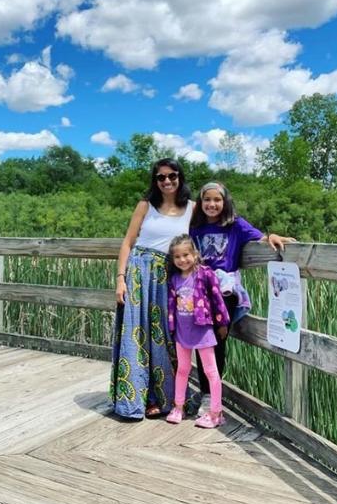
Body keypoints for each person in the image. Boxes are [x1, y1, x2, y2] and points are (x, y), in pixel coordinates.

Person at [110, 158, 195, 419]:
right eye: (161, 177)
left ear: (180, 178)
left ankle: (163, 398)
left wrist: (263, 236)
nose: (167, 181)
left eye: (172, 176)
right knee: (135, 335)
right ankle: (131, 401)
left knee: (163, 337)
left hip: (167, 277)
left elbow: (226, 220)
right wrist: (120, 278)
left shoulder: (192, 208)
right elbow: (128, 242)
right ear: (155, 180)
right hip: (137, 272)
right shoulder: (145, 206)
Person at [189, 181, 295, 385]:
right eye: (207, 199)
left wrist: (271, 236)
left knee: (216, 340)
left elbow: (260, 236)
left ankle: (212, 395)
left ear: (225, 201)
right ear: (201, 202)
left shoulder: (235, 224)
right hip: (201, 288)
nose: (212, 204)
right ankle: (206, 393)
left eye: (217, 199)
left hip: (225, 289)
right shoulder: (196, 227)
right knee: (203, 341)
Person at [164, 234, 229, 428]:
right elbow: (171, 305)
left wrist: (222, 322)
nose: (182, 260)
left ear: (194, 254)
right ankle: (178, 407)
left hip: (203, 330)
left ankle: (216, 413)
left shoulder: (205, 274)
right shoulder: (174, 279)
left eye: (186, 255)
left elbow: (218, 299)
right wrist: (172, 327)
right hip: (182, 333)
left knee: (211, 371)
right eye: (177, 257)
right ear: (173, 259)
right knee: (183, 369)